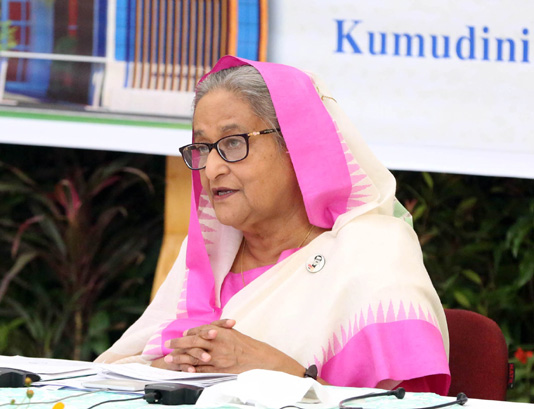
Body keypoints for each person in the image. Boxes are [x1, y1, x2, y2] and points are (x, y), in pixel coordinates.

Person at [96, 55, 451, 394]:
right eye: (202, 148)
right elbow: (119, 375)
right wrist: (173, 368)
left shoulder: (371, 253)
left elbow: (413, 405)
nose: (212, 169)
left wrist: (280, 372)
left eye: (233, 143)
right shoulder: (208, 254)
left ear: (297, 146)